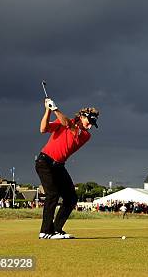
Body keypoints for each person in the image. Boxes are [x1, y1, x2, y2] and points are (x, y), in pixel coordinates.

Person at [35, 97, 99, 239]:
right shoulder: (63, 120)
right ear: (82, 117)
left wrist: (55, 109)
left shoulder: (85, 135)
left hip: (58, 166)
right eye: (90, 122)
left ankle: (57, 229)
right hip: (44, 162)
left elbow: (69, 126)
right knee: (53, 194)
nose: (90, 126)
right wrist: (48, 110)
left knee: (71, 198)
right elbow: (43, 129)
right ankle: (45, 231)